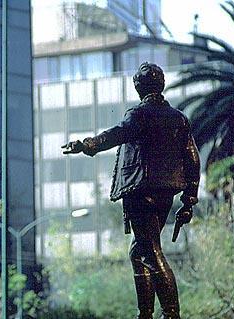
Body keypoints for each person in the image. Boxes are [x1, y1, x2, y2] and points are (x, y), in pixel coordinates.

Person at [62, 62, 200, 319]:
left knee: (149, 251)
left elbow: (117, 134)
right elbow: (193, 158)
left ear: (139, 88)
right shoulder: (179, 119)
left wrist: (87, 143)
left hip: (141, 191)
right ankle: (145, 313)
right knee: (139, 250)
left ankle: (171, 314)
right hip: (166, 193)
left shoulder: (139, 115)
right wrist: (189, 198)